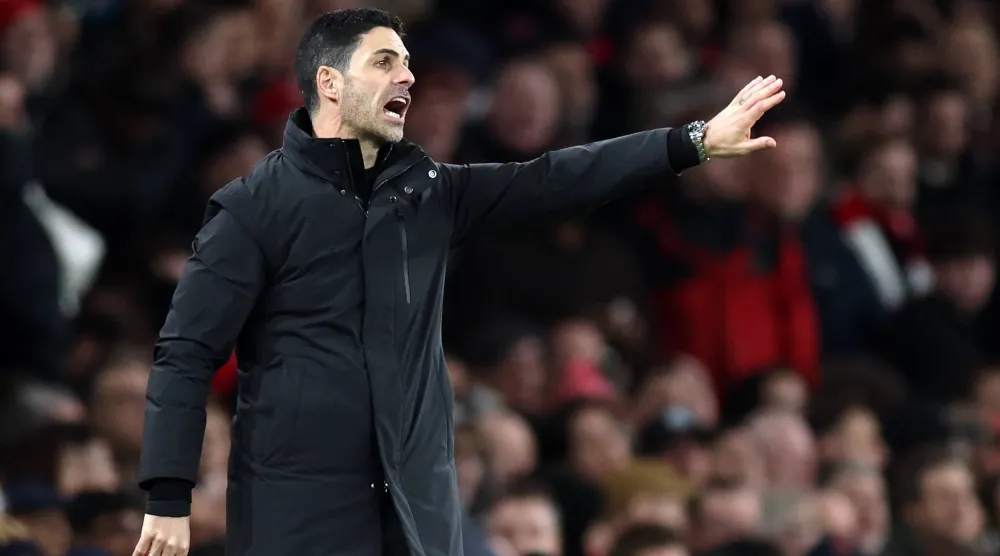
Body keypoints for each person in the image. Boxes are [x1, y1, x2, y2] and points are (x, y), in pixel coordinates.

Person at [133, 8, 786, 556]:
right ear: (329, 83)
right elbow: (186, 353)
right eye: (384, 63)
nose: (408, 77)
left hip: (418, 511)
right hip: (300, 512)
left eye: (406, 63)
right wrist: (168, 496)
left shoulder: (429, 194)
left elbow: (557, 178)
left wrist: (693, 141)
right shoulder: (250, 211)